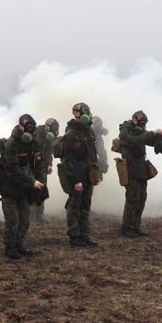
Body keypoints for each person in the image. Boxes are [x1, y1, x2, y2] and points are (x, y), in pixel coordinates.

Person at [0, 115, 46, 259]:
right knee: (12, 220)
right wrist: (31, 182)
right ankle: (10, 246)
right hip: (10, 188)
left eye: (33, 128)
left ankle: (19, 244)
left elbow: (39, 163)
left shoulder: (33, 143)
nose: (31, 131)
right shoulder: (11, 144)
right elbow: (11, 169)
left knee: (25, 219)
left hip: (24, 188)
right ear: (20, 127)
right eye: (28, 128)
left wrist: (40, 181)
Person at [118, 111, 162, 237]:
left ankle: (135, 226)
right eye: (141, 122)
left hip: (141, 169)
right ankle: (127, 227)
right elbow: (135, 141)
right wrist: (152, 133)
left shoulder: (140, 131)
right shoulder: (125, 131)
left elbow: (149, 140)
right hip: (131, 169)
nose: (142, 125)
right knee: (132, 199)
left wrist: (160, 135)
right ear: (133, 119)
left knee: (141, 199)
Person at [63, 103, 100, 247]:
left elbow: (92, 154)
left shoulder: (89, 131)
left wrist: (94, 175)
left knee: (85, 206)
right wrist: (76, 180)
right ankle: (74, 236)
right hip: (77, 174)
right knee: (74, 206)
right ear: (75, 114)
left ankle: (84, 234)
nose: (87, 114)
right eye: (84, 111)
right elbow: (69, 159)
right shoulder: (72, 134)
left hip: (88, 174)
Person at [30, 118, 58, 223]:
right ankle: (31, 215)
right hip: (34, 167)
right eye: (53, 128)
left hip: (42, 167)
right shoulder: (36, 135)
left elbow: (49, 152)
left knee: (42, 189)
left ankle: (39, 215)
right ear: (46, 126)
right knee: (34, 189)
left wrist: (49, 164)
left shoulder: (48, 138)